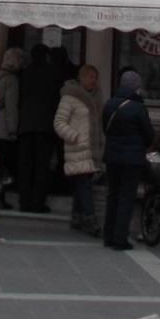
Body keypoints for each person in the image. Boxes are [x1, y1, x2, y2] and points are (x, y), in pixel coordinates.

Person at [100, 67, 154, 250]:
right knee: (126, 198)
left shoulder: (109, 104)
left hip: (112, 156)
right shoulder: (138, 108)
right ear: (136, 87)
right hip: (132, 159)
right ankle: (120, 238)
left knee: (113, 196)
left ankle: (108, 236)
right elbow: (148, 134)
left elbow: (105, 128)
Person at [53, 63, 104, 233]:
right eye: (90, 77)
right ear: (81, 77)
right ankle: (90, 219)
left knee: (81, 185)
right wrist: (74, 136)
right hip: (78, 149)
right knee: (84, 185)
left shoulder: (96, 98)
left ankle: (77, 217)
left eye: (95, 78)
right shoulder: (70, 97)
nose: (93, 81)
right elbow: (59, 122)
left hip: (92, 150)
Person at [16, 43, 61, 211]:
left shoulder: (24, 73)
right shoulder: (53, 73)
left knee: (25, 165)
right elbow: (56, 98)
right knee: (42, 165)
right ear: (46, 56)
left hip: (25, 125)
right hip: (45, 126)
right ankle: (37, 202)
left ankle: (24, 202)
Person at [0, 46, 25, 205]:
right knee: (4, 164)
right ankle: (0, 197)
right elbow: (12, 107)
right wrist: (13, 130)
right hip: (3, 128)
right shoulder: (12, 80)